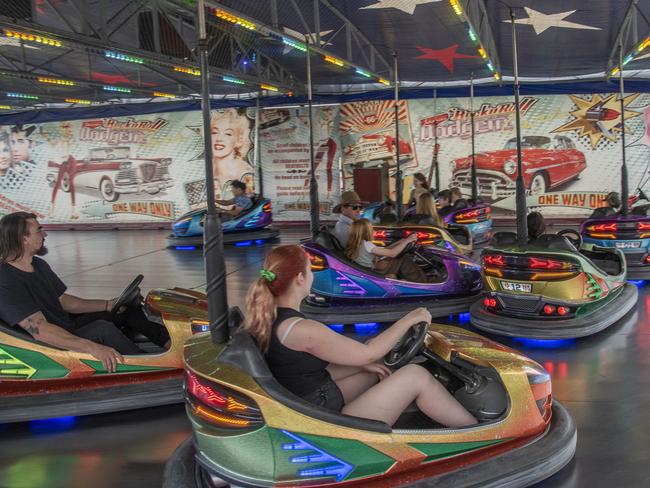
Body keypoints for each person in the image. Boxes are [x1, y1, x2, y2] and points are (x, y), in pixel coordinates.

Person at [243, 245, 477, 427]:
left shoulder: (270, 317)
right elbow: (369, 352)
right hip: (319, 418)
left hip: (307, 399)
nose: (313, 275)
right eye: (310, 270)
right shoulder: (300, 329)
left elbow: (300, 371)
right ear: (300, 278)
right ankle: (477, 433)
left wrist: (364, 367)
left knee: (376, 369)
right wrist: (409, 319)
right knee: (416, 374)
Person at [0, 212, 170, 372]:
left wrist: (108, 304)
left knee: (125, 308)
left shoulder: (38, 265)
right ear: (24, 239)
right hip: (50, 344)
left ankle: (168, 344)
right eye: (39, 230)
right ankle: (147, 366)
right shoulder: (5, 280)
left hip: (65, 326)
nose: (45, 235)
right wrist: (92, 347)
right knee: (102, 329)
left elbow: (64, 301)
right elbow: (40, 330)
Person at [345, 219, 431, 283]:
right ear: (366, 231)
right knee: (403, 259)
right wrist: (407, 241)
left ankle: (410, 281)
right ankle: (422, 282)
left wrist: (400, 242)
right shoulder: (367, 244)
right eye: (371, 228)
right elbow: (392, 253)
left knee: (396, 261)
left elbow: (385, 250)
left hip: (367, 271)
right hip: (371, 272)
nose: (373, 231)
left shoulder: (356, 244)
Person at [210, 108, 254, 199]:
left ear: (239, 140)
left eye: (228, 134)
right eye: (214, 132)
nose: (219, 138)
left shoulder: (245, 173)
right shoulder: (206, 169)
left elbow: (247, 203)